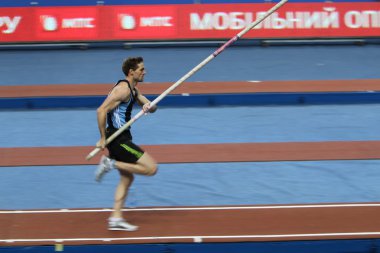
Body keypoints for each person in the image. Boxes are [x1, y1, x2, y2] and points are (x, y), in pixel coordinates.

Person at [94, 56, 158, 231]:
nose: (145, 72)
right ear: (132, 72)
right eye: (141, 69)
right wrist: (102, 138)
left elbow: (151, 107)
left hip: (122, 138)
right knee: (151, 168)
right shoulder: (123, 89)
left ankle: (115, 218)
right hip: (117, 138)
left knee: (127, 177)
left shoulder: (134, 90)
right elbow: (101, 110)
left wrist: (148, 107)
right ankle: (110, 163)